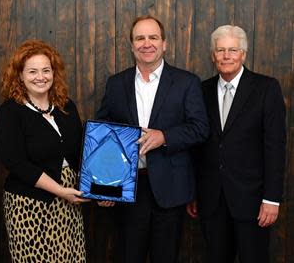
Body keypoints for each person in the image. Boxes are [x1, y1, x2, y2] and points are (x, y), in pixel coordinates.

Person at [96, 15, 209, 263]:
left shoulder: (186, 82)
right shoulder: (116, 83)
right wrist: (104, 185)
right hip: (129, 189)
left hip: (170, 189)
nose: (147, 43)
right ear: (132, 45)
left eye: (153, 37)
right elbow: (104, 134)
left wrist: (164, 136)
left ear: (164, 44)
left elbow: (200, 128)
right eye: (140, 38)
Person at [187, 25, 286, 263]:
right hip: (211, 200)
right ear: (213, 56)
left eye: (233, 50)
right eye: (220, 50)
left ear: (243, 54)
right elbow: (197, 146)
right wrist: (194, 193)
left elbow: (275, 147)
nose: (226, 56)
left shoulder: (266, 88)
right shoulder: (201, 90)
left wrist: (271, 199)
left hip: (253, 201)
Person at [0, 40, 89, 262]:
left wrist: (100, 188)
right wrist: (59, 189)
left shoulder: (66, 106)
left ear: (53, 73)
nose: (41, 77)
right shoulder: (10, 111)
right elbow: (14, 161)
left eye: (46, 70)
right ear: (19, 75)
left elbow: (82, 152)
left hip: (68, 202)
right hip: (29, 205)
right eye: (32, 71)